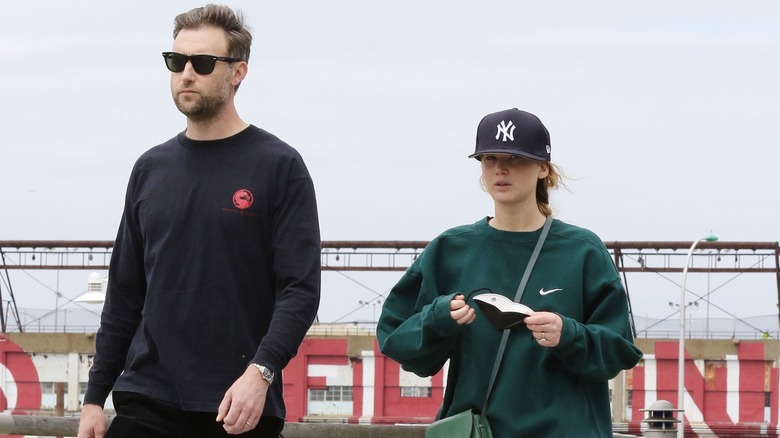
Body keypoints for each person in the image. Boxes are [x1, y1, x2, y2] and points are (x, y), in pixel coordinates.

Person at [77, 5, 320, 438]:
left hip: (238, 408)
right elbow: (124, 292)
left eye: (203, 63)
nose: (187, 73)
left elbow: (299, 290)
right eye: (177, 61)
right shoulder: (150, 169)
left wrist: (259, 374)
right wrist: (95, 399)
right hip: (146, 398)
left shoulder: (279, 166)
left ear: (238, 71)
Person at [376, 108, 642, 437]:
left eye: (515, 158)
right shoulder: (451, 249)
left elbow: (620, 351)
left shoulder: (582, 251)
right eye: (489, 158)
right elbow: (396, 341)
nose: (500, 169)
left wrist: (568, 334)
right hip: (481, 430)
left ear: (543, 168)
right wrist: (439, 317)